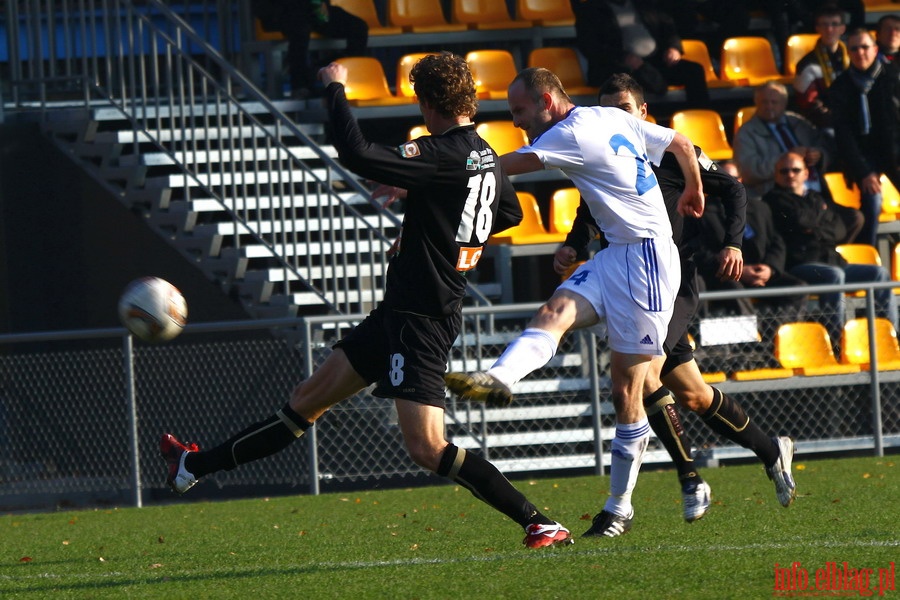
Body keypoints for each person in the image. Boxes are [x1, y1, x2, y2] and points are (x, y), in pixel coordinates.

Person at [159, 53, 574, 550]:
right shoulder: (485, 154)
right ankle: (192, 466)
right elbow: (503, 210)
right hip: (397, 315)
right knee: (303, 403)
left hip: (422, 320)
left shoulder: (437, 153)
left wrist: (334, 89)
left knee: (426, 447)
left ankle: (537, 521)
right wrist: (426, 227)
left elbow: (355, 153)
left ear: (425, 102)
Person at [446, 66, 700, 539]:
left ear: (547, 101)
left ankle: (619, 507)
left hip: (647, 259)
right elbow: (682, 145)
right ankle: (499, 377)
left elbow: (503, 166)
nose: (518, 121)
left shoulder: (572, 132)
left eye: (520, 111)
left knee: (627, 388)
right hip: (615, 253)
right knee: (554, 311)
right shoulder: (609, 116)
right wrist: (693, 187)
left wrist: (436, 172)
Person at [589, 74, 795, 523]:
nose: (612, 118)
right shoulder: (602, 154)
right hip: (631, 282)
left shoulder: (672, 151)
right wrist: (572, 241)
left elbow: (734, 188)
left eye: (621, 108)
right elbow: (593, 208)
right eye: (605, 110)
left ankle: (689, 478)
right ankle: (771, 449)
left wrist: (734, 243)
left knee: (643, 375)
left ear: (643, 113)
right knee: (695, 396)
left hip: (673, 281)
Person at [764, 151, 898, 345]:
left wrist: (816, 226)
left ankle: (891, 335)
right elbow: (801, 221)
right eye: (784, 171)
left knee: (879, 273)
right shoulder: (773, 200)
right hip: (801, 265)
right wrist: (822, 217)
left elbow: (840, 227)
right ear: (776, 175)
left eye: (795, 170)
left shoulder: (816, 197)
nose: (790, 175)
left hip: (832, 260)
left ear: (806, 174)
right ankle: (837, 339)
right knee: (834, 276)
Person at [826, 27, 900, 248]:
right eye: (855, 48)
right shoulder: (841, 86)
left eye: (865, 47)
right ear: (848, 52)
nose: (860, 53)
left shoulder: (893, 76)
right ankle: (868, 260)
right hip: (864, 158)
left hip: (895, 152)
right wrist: (864, 172)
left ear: (875, 49)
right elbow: (844, 136)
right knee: (872, 199)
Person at [696, 196, 809, 337]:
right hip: (725, 274)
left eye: (733, 179)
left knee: (797, 288)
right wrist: (739, 270)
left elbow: (776, 242)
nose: (727, 184)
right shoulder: (701, 210)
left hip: (761, 272)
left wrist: (770, 268)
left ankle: (773, 338)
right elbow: (700, 253)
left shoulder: (760, 207)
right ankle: (750, 343)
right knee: (734, 289)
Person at [570, 0, 710, 106]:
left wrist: (673, 48)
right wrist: (624, 57)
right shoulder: (590, 10)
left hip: (655, 61)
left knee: (694, 70)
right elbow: (590, 47)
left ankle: (700, 119)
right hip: (617, 67)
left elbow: (668, 28)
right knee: (637, 81)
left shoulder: (645, 3)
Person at [734, 80, 837, 201]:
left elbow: (827, 149)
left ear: (784, 103)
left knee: (854, 217)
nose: (769, 106)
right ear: (756, 103)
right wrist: (789, 159)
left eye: (774, 102)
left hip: (816, 193)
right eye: (764, 102)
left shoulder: (798, 122)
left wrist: (819, 155)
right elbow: (749, 171)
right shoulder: (746, 132)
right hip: (775, 196)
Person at [252, 0, 368, 98]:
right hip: (281, 11)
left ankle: (322, 71)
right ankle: (299, 85)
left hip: (312, 10)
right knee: (300, 28)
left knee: (358, 27)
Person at [792, 5, 849, 130]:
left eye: (834, 24)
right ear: (817, 28)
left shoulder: (853, 57)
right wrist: (838, 121)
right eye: (824, 25)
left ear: (842, 29)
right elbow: (808, 104)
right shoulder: (807, 64)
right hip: (825, 127)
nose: (829, 29)